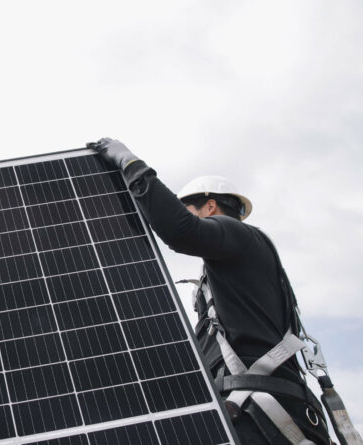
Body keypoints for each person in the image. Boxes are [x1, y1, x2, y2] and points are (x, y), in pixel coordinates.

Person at [91, 138, 330, 445]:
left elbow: (180, 231)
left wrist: (132, 166)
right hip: (251, 414)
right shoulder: (230, 274)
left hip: (263, 416)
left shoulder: (238, 233)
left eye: (187, 208)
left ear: (211, 206)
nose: (183, 213)